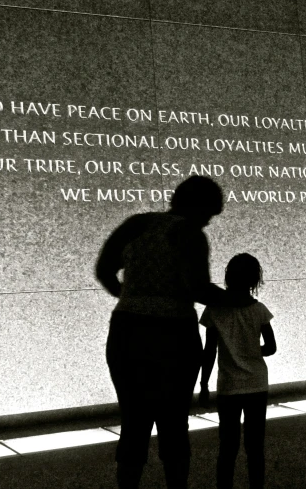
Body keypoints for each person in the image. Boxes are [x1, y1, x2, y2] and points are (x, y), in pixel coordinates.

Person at [95, 175, 233, 489]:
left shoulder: (137, 224)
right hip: (174, 335)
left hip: (127, 332)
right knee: (173, 425)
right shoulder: (190, 233)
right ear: (198, 207)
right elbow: (198, 288)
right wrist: (234, 299)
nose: (209, 222)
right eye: (209, 213)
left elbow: (104, 270)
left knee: (134, 424)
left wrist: (131, 297)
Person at [199, 253, 277, 489]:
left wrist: (203, 386)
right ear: (255, 280)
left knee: (227, 447)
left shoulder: (214, 311)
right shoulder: (260, 310)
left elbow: (209, 352)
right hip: (257, 383)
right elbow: (271, 348)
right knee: (255, 447)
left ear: (228, 278)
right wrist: (252, 351)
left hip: (228, 386)